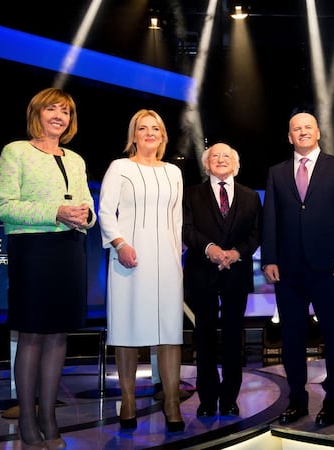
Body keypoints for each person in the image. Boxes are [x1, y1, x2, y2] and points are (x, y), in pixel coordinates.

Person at [0, 87, 97, 450]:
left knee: (58, 335)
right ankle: (26, 420)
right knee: (33, 334)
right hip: (33, 248)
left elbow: (86, 203)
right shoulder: (15, 151)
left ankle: (50, 418)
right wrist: (55, 212)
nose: (59, 116)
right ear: (36, 113)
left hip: (70, 247)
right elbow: (4, 206)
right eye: (52, 109)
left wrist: (85, 216)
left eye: (65, 111)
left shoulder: (76, 159)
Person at [261, 111, 334, 427]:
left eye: (307, 127)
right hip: (287, 269)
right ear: (289, 137)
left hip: (330, 267)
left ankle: (333, 400)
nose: (302, 132)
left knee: (333, 334)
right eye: (296, 129)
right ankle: (297, 400)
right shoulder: (276, 172)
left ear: (318, 132)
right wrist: (269, 258)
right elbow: (271, 218)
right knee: (291, 337)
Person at [98, 109, 185, 433]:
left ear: (163, 136)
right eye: (142, 128)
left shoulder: (174, 172)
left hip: (167, 263)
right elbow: (106, 210)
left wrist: (178, 262)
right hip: (129, 259)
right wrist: (120, 243)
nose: (150, 133)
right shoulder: (119, 168)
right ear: (133, 135)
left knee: (169, 333)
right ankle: (129, 400)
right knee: (127, 332)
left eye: (156, 128)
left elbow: (176, 221)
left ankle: (172, 402)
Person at [182, 142, 262, 418]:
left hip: (236, 274)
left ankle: (229, 398)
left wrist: (235, 252)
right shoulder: (191, 194)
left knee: (232, 339)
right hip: (201, 273)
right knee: (203, 338)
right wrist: (211, 250)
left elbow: (256, 233)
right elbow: (187, 230)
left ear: (236, 164)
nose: (220, 159)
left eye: (227, 155)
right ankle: (206, 399)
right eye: (214, 155)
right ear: (206, 164)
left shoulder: (251, 197)